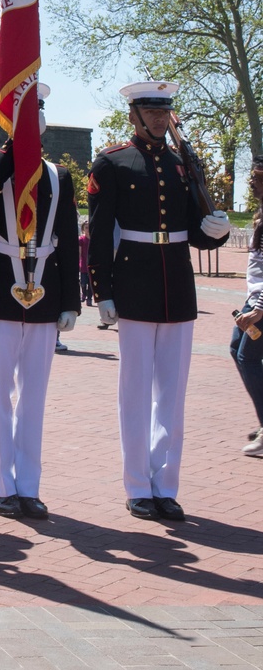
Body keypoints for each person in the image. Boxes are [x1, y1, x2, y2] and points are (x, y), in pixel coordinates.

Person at [88, 81, 230, 520]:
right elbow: (98, 233)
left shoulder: (182, 165)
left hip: (177, 287)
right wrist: (103, 291)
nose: (157, 120)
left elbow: (192, 229)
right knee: (135, 392)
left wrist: (215, 231)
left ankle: (165, 485)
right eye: (149, 113)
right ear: (133, 115)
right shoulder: (112, 162)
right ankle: (137, 486)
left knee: (171, 395)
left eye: (163, 113)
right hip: (133, 283)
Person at [0, 83, 81, 520]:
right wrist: (16, 144)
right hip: (0, 291)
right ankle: (2, 485)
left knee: (33, 394)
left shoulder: (59, 175)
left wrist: (71, 300)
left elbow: (67, 239)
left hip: (46, 289)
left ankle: (28, 485)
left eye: (37, 115)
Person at [234, 157, 263, 457]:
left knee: (248, 356)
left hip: (261, 301)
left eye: (257, 177)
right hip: (254, 296)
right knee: (235, 347)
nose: (252, 182)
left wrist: (259, 307)